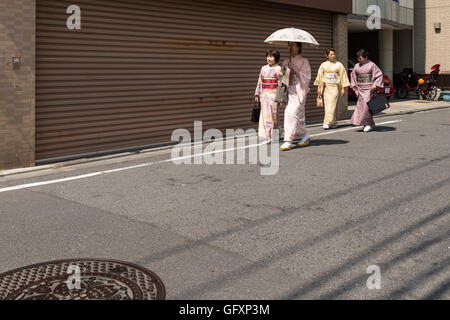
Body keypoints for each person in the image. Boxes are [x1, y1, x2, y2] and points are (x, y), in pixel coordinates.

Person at [280, 42, 311, 151]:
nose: (290, 47)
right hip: (290, 92)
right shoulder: (286, 61)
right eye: (289, 45)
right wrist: (284, 70)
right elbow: (283, 79)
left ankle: (288, 140)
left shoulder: (304, 61)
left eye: (292, 45)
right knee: (298, 117)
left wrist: (296, 70)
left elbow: (307, 78)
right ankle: (304, 136)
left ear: (298, 47)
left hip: (299, 92)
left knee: (290, 114)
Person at [314, 48, 350, 130]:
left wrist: (343, 88)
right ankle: (333, 122)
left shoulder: (339, 65)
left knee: (332, 105)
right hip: (326, 87)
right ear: (327, 55)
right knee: (327, 106)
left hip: (335, 88)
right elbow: (319, 77)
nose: (333, 56)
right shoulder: (323, 65)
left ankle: (327, 122)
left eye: (334, 54)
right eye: (331, 54)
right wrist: (319, 87)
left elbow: (343, 77)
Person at [350, 49, 384, 132]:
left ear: (366, 57)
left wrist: (375, 85)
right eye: (358, 58)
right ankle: (367, 123)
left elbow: (379, 75)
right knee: (360, 107)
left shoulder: (372, 65)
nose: (359, 60)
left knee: (366, 106)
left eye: (360, 58)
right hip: (360, 88)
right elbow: (353, 76)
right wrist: (354, 86)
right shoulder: (356, 66)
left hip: (369, 89)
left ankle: (368, 124)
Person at [254, 49, 282, 141]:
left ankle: (274, 134)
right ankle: (267, 135)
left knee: (274, 115)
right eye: (268, 56)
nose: (269, 58)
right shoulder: (263, 68)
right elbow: (260, 81)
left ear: (276, 58)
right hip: (264, 94)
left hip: (274, 94)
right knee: (265, 115)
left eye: (272, 56)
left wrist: (283, 74)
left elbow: (283, 82)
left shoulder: (279, 68)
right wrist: (257, 94)